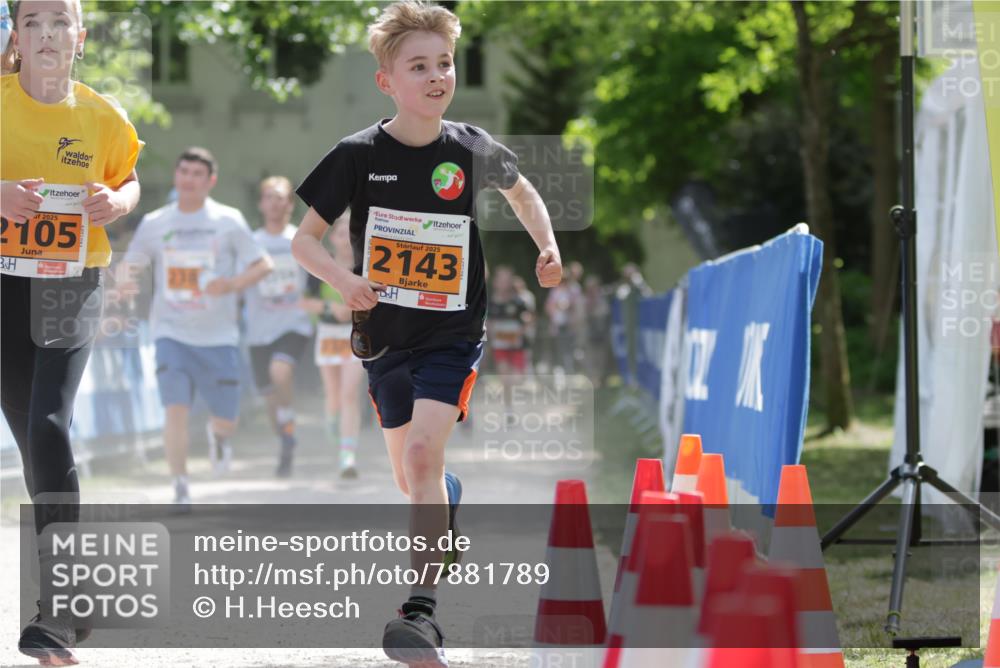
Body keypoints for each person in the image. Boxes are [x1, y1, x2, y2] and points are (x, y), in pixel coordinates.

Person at [291, 2, 563, 665]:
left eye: (445, 63)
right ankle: (448, 504)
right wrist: (344, 281)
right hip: (383, 338)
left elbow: (524, 194)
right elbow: (303, 242)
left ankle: (420, 612)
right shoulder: (356, 155)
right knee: (415, 479)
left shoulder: (470, 147)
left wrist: (548, 247)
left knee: (420, 459)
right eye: (420, 66)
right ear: (388, 81)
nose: (437, 76)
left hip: (453, 334)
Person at [0, 0, 143, 663]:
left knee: (50, 424)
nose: (48, 32)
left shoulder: (101, 114)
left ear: (79, 39)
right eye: (34, 21)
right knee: (32, 441)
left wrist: (118, 201)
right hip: (2, 284)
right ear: (17, 38)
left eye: (61, 21)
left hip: (70, 280)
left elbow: (128, 178)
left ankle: (56, 609)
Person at [119, 147, 272, 507]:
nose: (188, 179)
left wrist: (232, 284)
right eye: (183, 172)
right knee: (175, 408)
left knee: (226, 419)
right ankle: (181, 485)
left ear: (210, 181)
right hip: (171, 332)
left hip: (219, 337)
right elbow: (133, 264)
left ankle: (219, 438)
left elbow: (262, 264)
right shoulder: (156, 222)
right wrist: (123, 283)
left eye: (196, 174)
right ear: (176, 176)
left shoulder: (227, 220)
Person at [244, 176, 312, 477]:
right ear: (261, 204)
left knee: (280, 371)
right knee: (269, 399)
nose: (274, 202)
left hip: (293, 323)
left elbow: (315, 280)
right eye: (269, 196)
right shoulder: (250, 243)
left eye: (280, 197)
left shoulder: (299, 240)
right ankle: (286, 436)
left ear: (289, 204)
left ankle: (287, 419)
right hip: (259, 328)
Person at [300, 215, 365, 478]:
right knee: (334, 395)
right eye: (341, 232)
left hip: (356, 335)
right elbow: (304, 302)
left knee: (350, 393)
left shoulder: (366, 265)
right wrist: (331, 307)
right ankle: (331, 420)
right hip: (328, 335)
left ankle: (347, 455)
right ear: (332, 236)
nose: (346, 238)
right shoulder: (320, 265)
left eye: (351, 232)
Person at [488, 264, 532, 381]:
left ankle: (516, 397)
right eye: (501, 279)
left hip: (517, 346)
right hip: (500, 346)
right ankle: (507, 399)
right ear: (495, 282)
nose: (503, 283)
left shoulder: (518, 302)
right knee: (505, 378)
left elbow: (528, 319)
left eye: (506, 280)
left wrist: (518, 334)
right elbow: (488, 323)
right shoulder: (491, 303)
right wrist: (492, 335)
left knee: (517, 379)